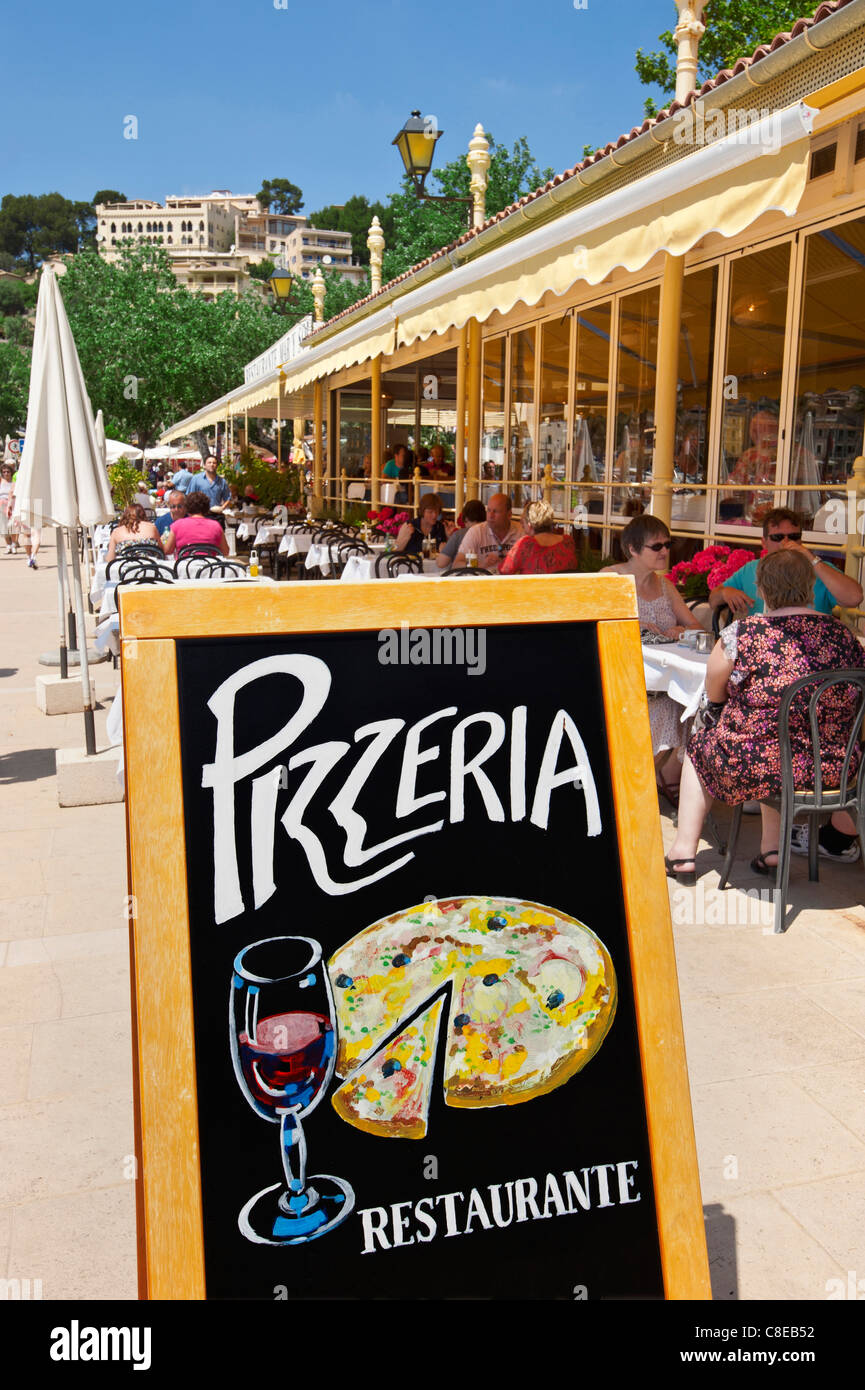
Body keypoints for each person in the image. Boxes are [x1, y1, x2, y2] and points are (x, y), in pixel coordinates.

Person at [667, 548, 865, 882]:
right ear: (810, 585)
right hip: (834, 768)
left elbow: (713, 696)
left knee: (700, 746)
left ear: (760, 590)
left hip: (758, 766)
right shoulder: (842, 635)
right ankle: (771, 850)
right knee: (778, 739)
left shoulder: (742, 635)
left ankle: (684, 852)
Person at [601, 515, 705, 800]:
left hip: (662, 678)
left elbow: (696, 626)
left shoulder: (665, 586)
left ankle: (657, 776)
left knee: (692, 705)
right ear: (633, 549)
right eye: (656, 546)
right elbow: (594, 628)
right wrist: (630, 626)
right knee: (681, 706)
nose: (664, 551)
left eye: (667, 544)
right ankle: (635, 783)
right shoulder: (612, 579)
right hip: (621, 677)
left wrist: (680, 629)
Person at [709, 507, 862, 619]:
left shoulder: (819, 569)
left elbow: (854, 598)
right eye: (778, 537)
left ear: (801, 540)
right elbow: (713, 600)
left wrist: (811, 558)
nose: (786, 542)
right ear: (764, 542)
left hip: (809, 650)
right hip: (763, 647)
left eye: (793, 537)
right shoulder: (751, 569)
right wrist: (725, 592)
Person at [499, 499, 579, 575]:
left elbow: (504, 570)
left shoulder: (526, 544)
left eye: (523, 520)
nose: (521, 522)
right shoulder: (568, 542)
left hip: (536, 589)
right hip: (565, 589)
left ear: (530, 524)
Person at [454, 494, 524, 572]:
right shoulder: (476, 532)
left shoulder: (521, 532)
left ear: (509, 515)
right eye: (489, 510)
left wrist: (509, 564)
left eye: (496, 511)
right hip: (482, 582)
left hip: (513, 582)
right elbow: (456, 565)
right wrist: (481, 565)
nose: (491, 516)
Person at [163, 490, 229, 556]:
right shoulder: (216, 526)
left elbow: (168, 550)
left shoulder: (177, 525)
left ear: (187, 508)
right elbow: (225, 551)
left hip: (185, 564)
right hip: (208, 564)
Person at [436, 499, 486, 569]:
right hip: (487, 577)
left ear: (466, 518)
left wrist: (442, 550)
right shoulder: (491, 532)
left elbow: (441, 563)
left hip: (463, 577)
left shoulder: (459, 535)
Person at [0, 463, 17, 553]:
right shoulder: (0, 481)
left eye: (8, 472)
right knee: (3, 526)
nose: (6, 473)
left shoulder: (14, 482)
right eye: (4, 472)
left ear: (11, 472)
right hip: (1, 506)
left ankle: (14, 544)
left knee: (13, 526)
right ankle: (8, 545)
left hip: (12, 505)